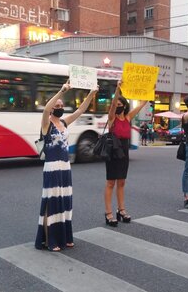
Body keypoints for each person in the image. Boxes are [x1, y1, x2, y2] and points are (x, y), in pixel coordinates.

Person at [35, 81, 98, 251]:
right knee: (52, 202)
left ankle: (64, 237)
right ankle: (50, 240)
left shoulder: (63, 122)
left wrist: (91, 94)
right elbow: (46, 109)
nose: (60, 106)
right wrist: (61, 91)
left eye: (62, 105)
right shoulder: (46, 123)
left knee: (64, 202)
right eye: (58, 105)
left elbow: (80, 111)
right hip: (52, 167)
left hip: (65, 167)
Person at [104, 81, 147, 227]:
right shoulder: (111, 118)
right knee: (111, 182)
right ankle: (108, 213)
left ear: (124, 106)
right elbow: (114, 102)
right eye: (115, 105)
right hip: (113, 151)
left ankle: (121, 210)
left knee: (122, 182)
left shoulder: (128, 118)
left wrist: (149, 91)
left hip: (124, 151)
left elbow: (142, 104)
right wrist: (117, 89)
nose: (116, 106)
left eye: (119, 105)